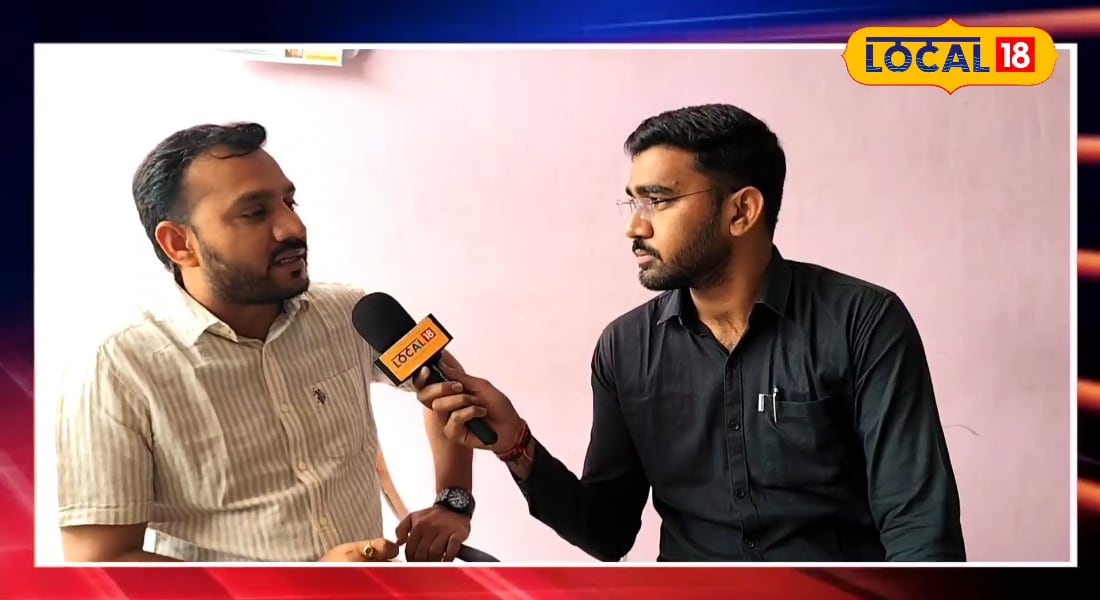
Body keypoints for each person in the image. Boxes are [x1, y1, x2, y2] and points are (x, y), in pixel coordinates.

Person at [415, 104, 967, 562]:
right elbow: (607, 532)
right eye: (633, 201)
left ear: (742, 211)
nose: (634, 225)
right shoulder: (625, 349)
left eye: (657, 200)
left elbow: (921, 528)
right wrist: (516, 445)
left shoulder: (862, 321)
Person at [55, 122, 477, 563]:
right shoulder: (115, 369)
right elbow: (98, 562)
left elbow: (448, 386)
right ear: (179, 243)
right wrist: (297, 589)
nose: (293, 227)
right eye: (254, 213)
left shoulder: (352, 312)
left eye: (289, 202)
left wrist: (453, 500)